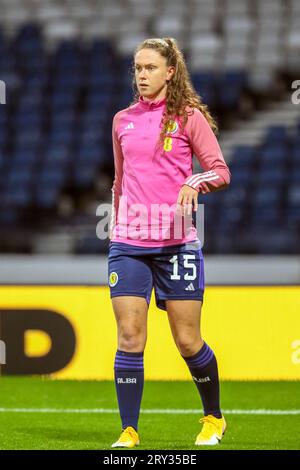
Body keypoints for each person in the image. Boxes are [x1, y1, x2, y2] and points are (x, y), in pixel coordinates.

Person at [108, 37, 231, 448]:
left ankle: (213, 417)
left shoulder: (187, 117)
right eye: (137, 68)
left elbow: (219, 170)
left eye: (150, 68)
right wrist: (116, 224)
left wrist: (194, 181)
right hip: (128, 242)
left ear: (170, 72)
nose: (142, 75)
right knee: (129, 335)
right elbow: (120, 181)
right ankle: (129, 430)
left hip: (177, 243)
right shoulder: (121, 120)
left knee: (187, 340)